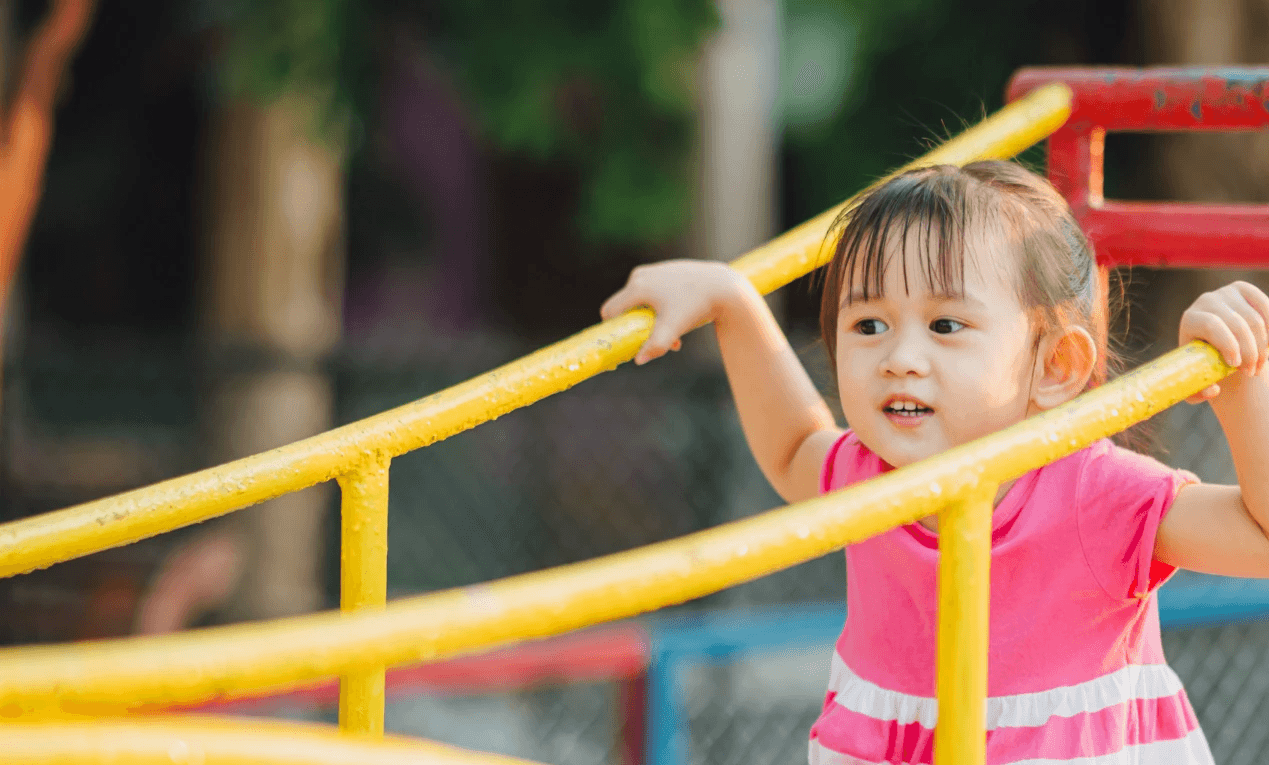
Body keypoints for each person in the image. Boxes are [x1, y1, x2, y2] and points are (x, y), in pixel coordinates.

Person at [599, 160, 1269, 764]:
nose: (897, 357)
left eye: (944, 325)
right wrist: (732, 302)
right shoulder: (872, 476)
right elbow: (793, 446)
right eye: (868, 325)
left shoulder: (1093, 492)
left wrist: (1241, 391)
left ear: (1056, 364)